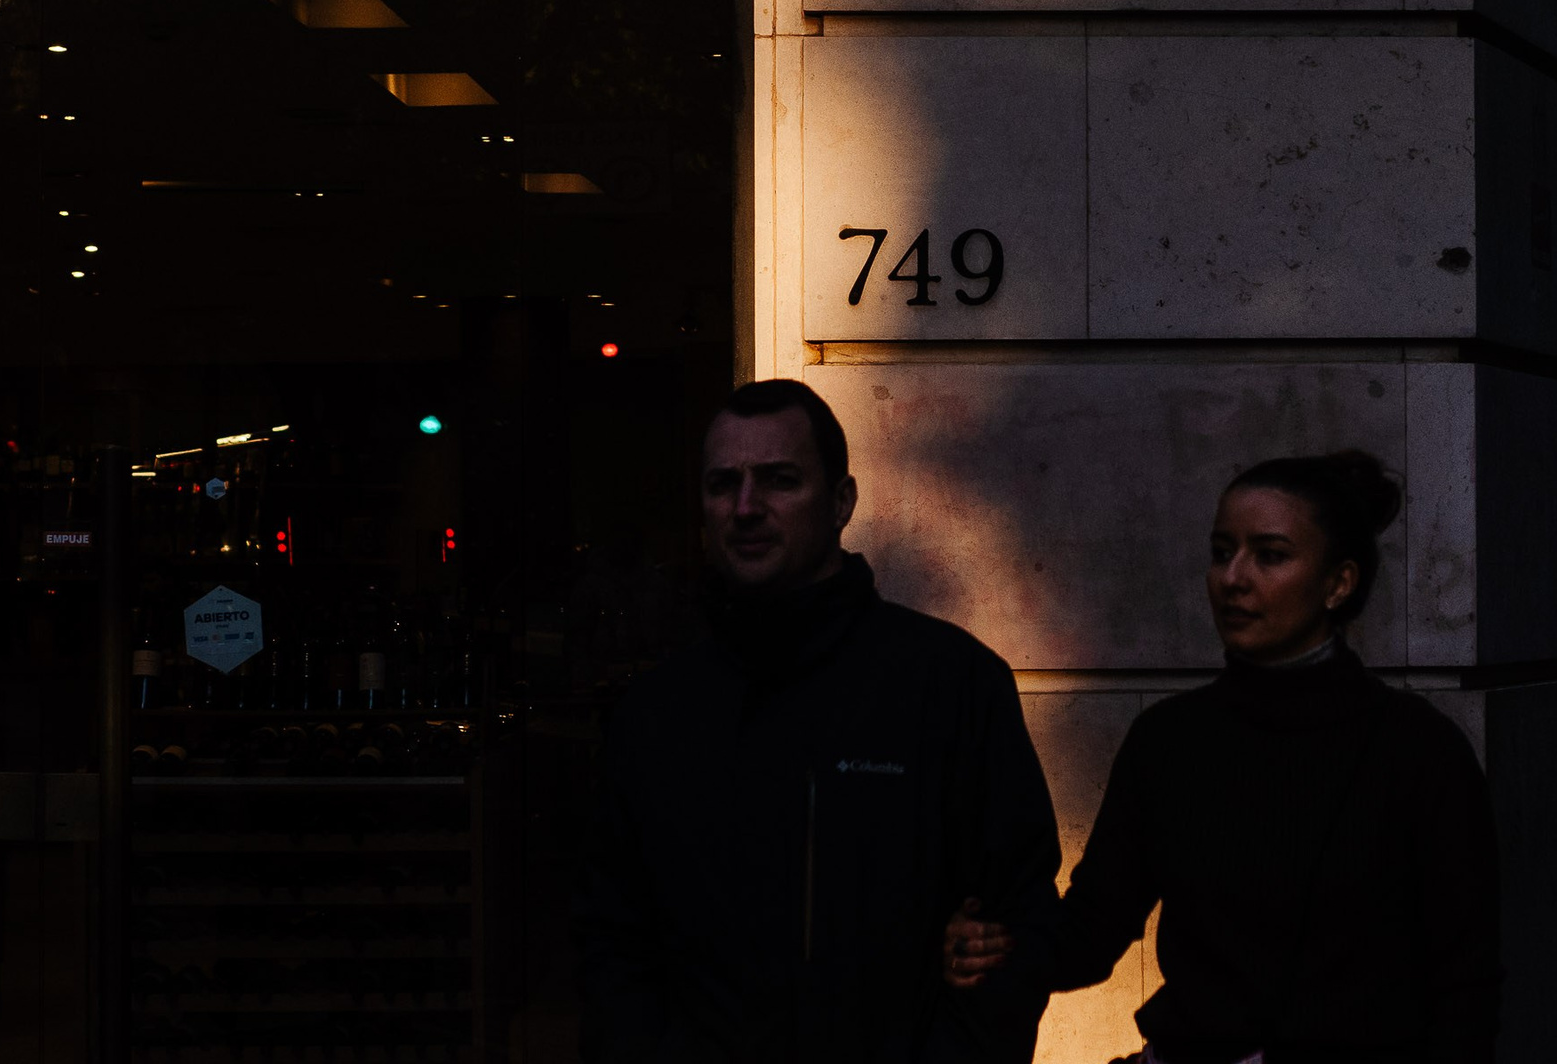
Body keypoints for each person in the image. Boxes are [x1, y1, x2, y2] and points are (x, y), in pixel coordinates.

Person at [944, 449, 1503, 1064]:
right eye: (1221, 552)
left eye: (1270, 555)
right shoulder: (1169, 741)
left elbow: (1466, 981)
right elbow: (1091, 930)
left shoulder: (1418, 752)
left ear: (1338, 583)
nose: (1233, 578)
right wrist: (999, 948)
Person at [570, 377, 1062, 1063]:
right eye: (723, 484)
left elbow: (1014, 925)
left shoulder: (950, 685)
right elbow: (613, 944)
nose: (745, 507)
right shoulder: (655, 716)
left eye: (778, 481)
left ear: (841, 502)